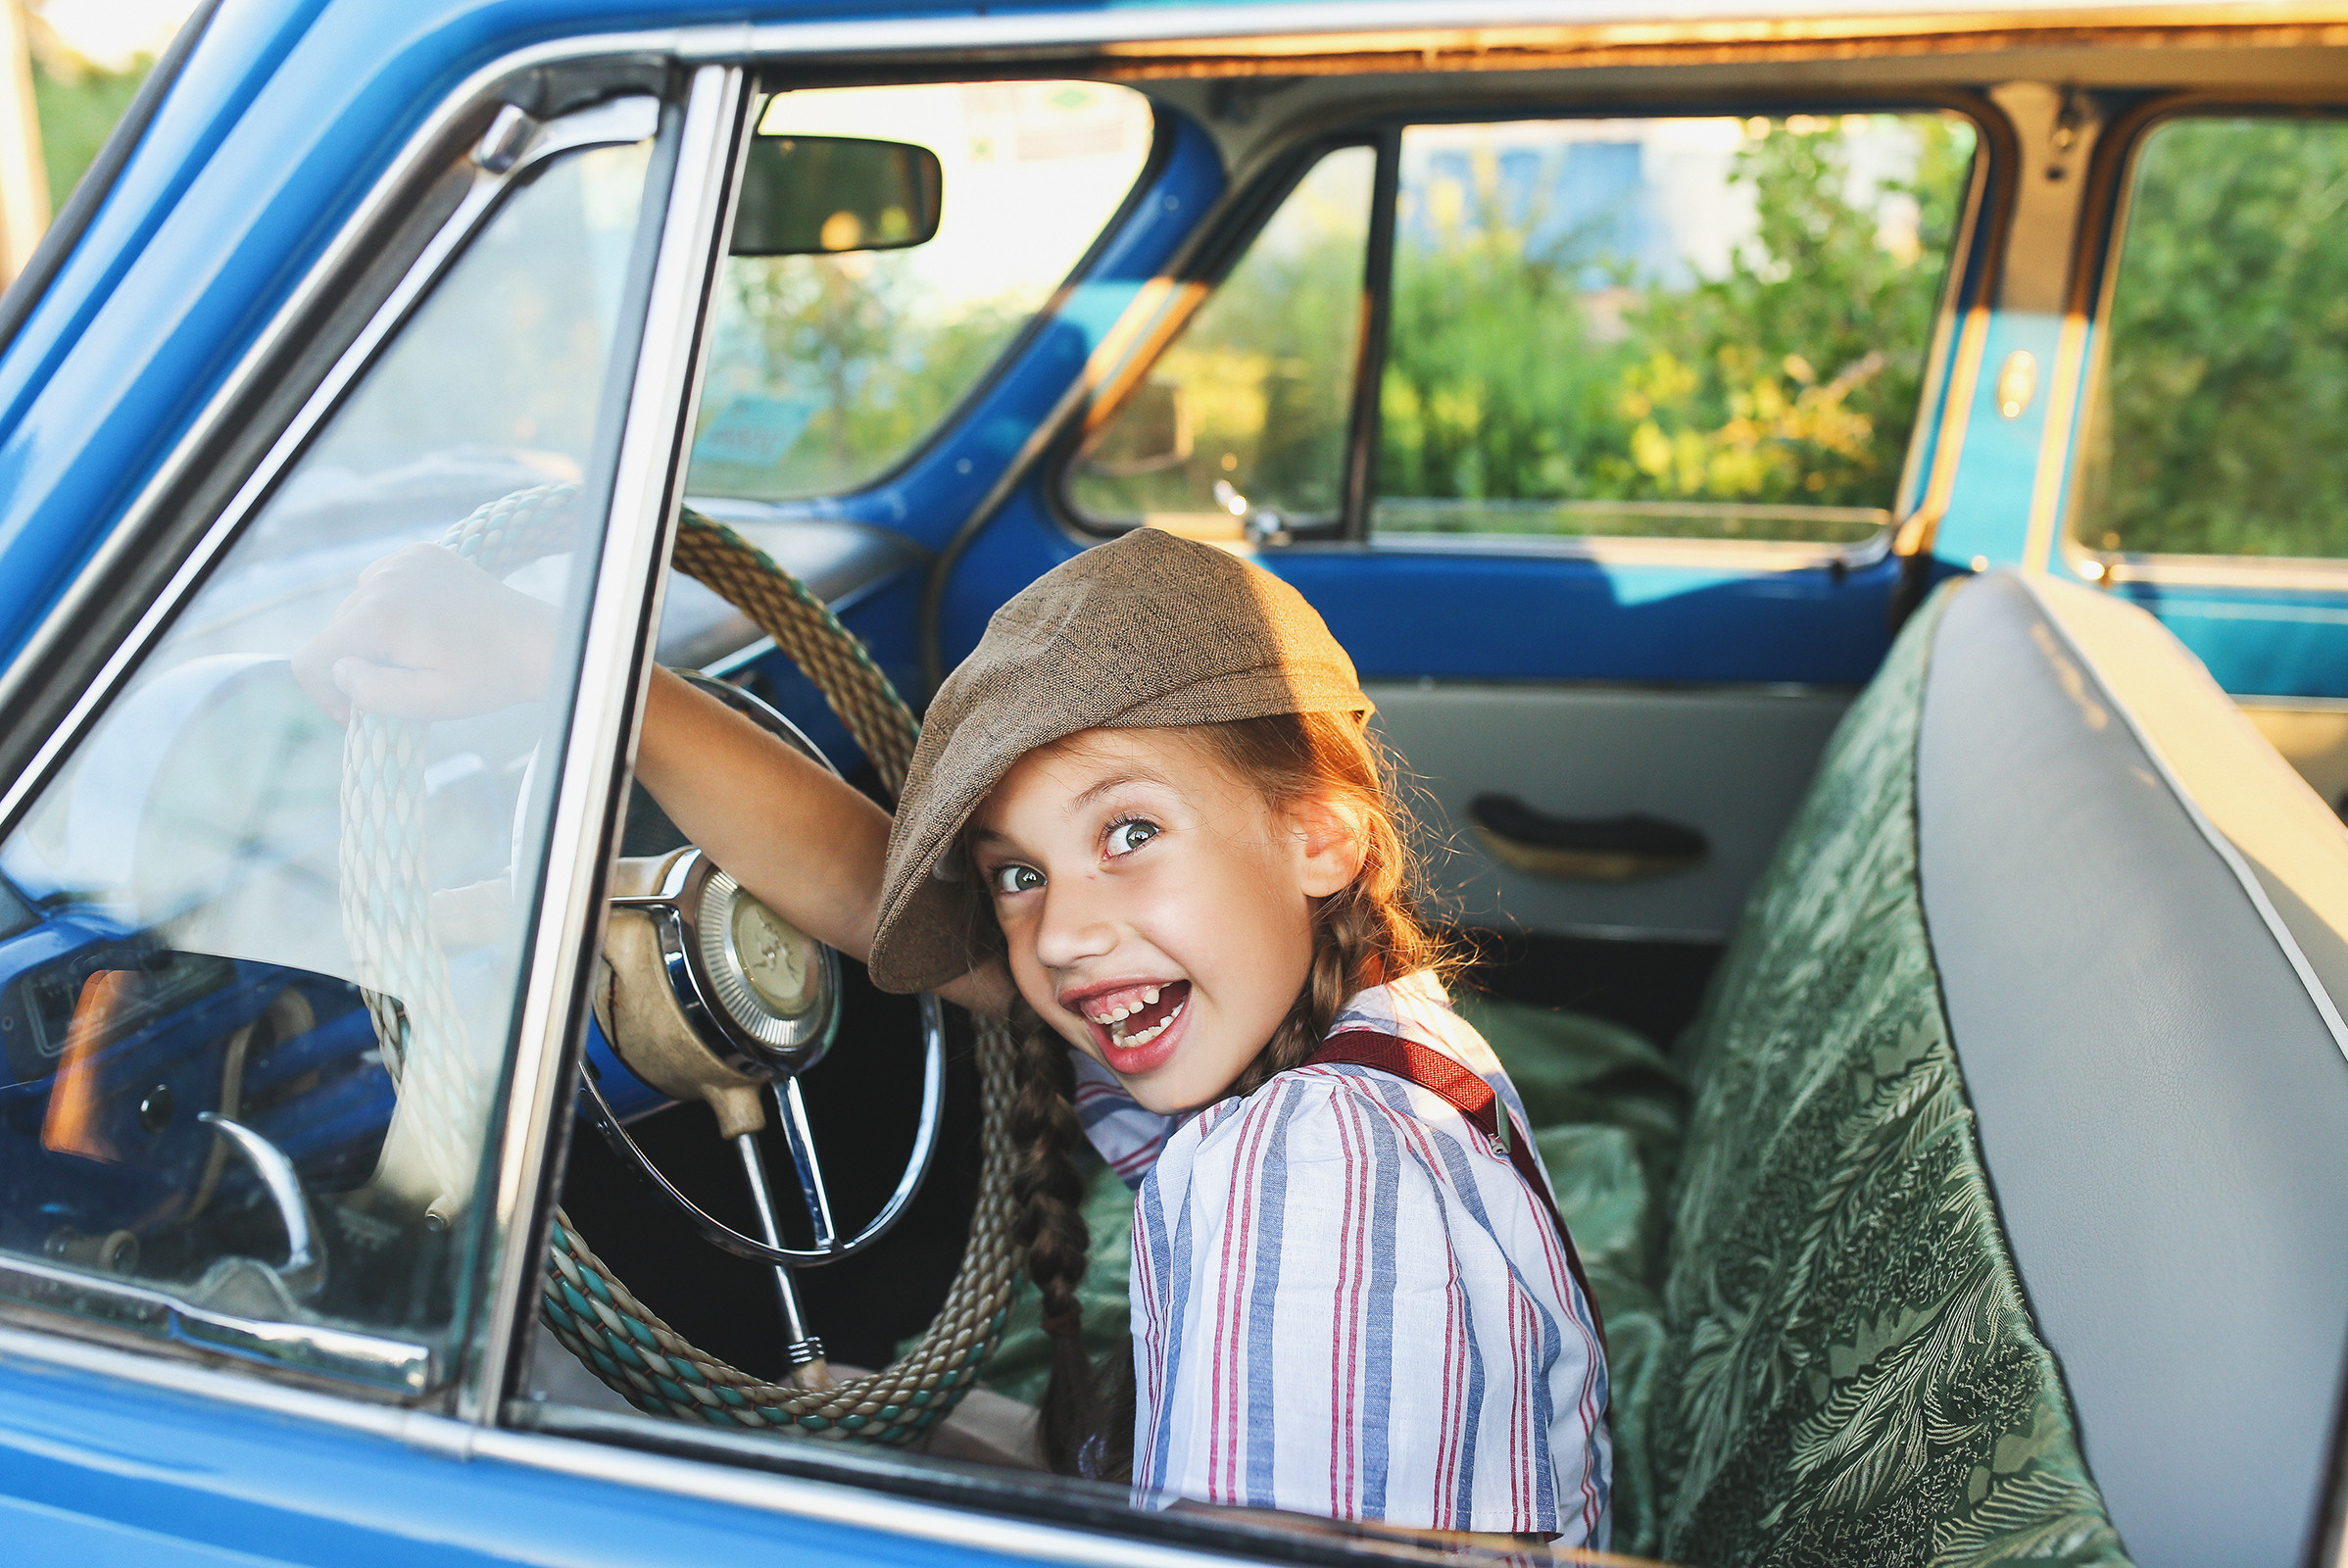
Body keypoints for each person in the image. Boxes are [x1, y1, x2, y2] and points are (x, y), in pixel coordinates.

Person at [298, 524, 1611, 1545]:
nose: (1065, 934)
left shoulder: (1318, 1175)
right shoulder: (1335, 1026)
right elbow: (880, 902)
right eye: (1017, 873)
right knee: (811, 1433)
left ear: (1318, 835)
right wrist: (590, 679)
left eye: (1130, 833)